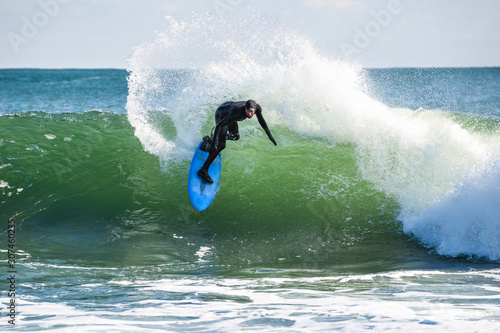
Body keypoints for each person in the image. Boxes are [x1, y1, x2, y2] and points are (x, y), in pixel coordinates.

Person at [197, 99, 277, 183]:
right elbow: (219, 125)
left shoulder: (257, 108)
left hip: (230, 113)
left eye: (251, 111)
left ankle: (209, 139)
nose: (249, 114)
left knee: (235, 136)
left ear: (254, 109)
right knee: (221, 145)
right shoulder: (238, 113)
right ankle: (203, 170)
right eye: (247, 111)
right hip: (221, 115)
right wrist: (214, 144)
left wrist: (270, 136)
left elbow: (261, 121)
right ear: (245, 108)